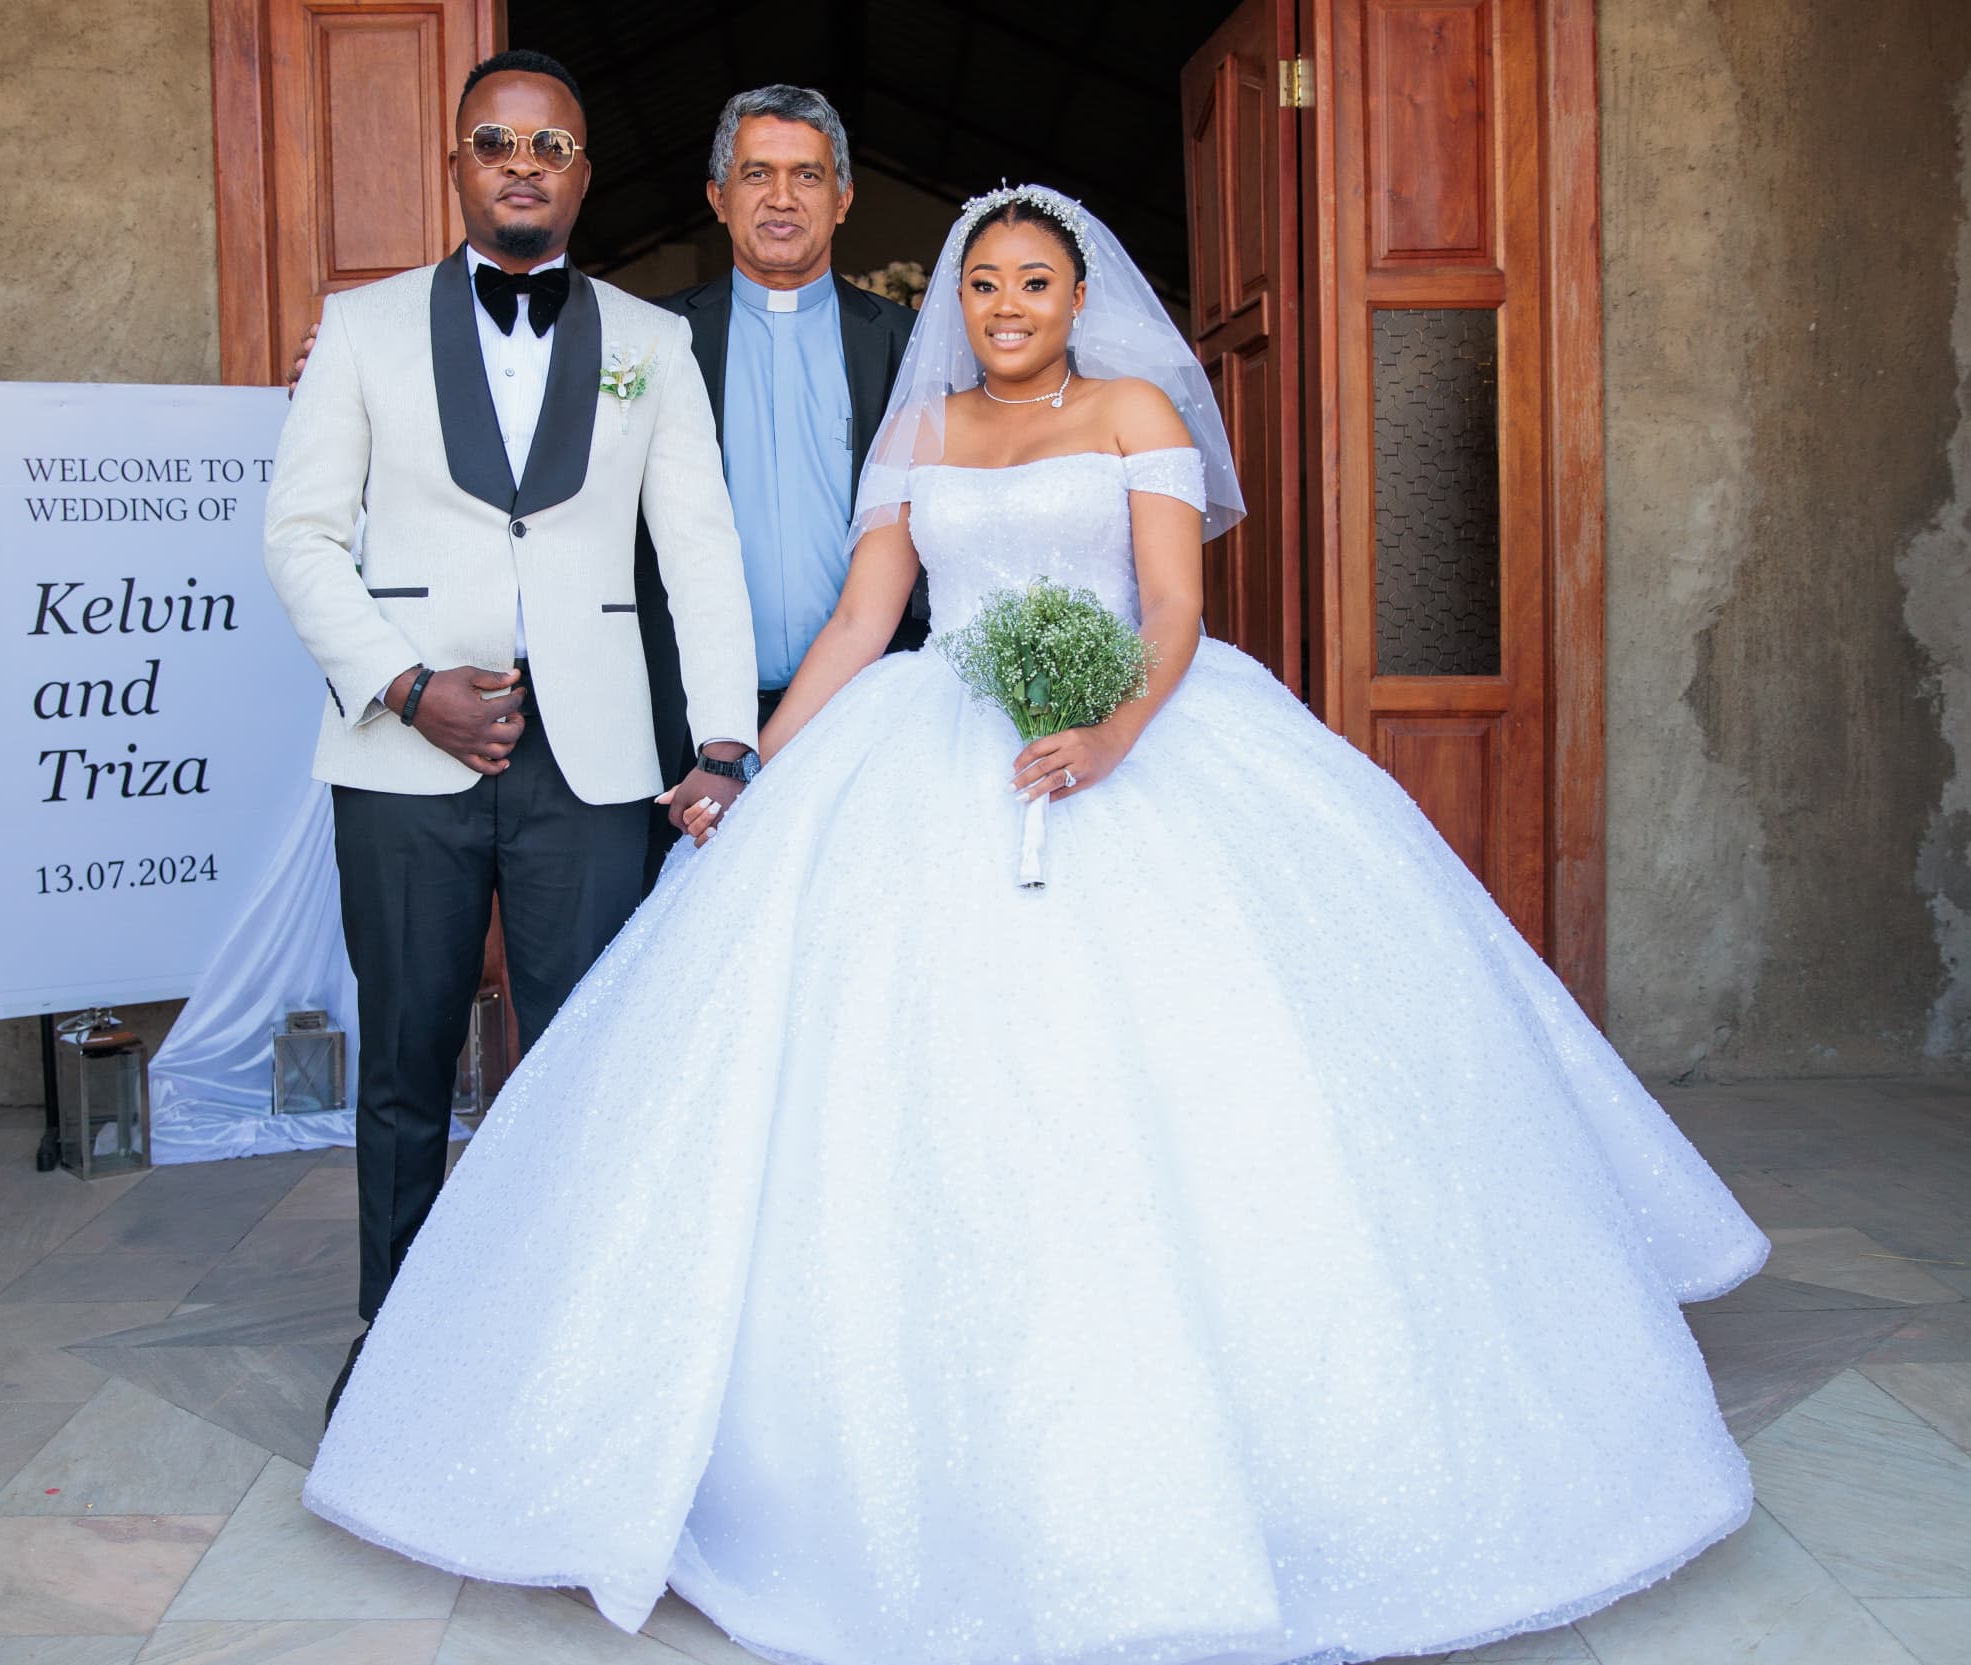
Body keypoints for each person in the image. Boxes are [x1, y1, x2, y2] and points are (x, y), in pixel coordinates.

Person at [303, 185, 1768, 1665]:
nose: (1006, 307)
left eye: (1034, 284)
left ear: (1080, 298)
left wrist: (1115, 733)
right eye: (985, 284)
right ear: (959, 301)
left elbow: (1176, 611)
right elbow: (869, 620)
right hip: (929, 751)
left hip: (1125, 744)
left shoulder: (1135, 405)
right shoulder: (924, 432)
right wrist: (756, 763)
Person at [263, 48, 758, 1420]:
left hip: (595, 757)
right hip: (404, 745)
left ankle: (576, 1344)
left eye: (550, 147)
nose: (523, 165)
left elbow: (700, 555)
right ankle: (399, 1336)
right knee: (407, 1056)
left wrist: (722, 739)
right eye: (498, 143)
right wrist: (405, 682)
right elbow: (298, 537)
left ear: (583, 173)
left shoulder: (652, 345)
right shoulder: (357, 332)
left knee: (586, 1064)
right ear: (460, 167)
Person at [631, 85, 924, 886]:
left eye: (808, 175)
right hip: (686, 712)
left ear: (843, 198)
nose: (784, 198)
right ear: (718, 199)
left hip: (869, 705)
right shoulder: (647, 339)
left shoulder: (910, 344)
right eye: (757, 174)